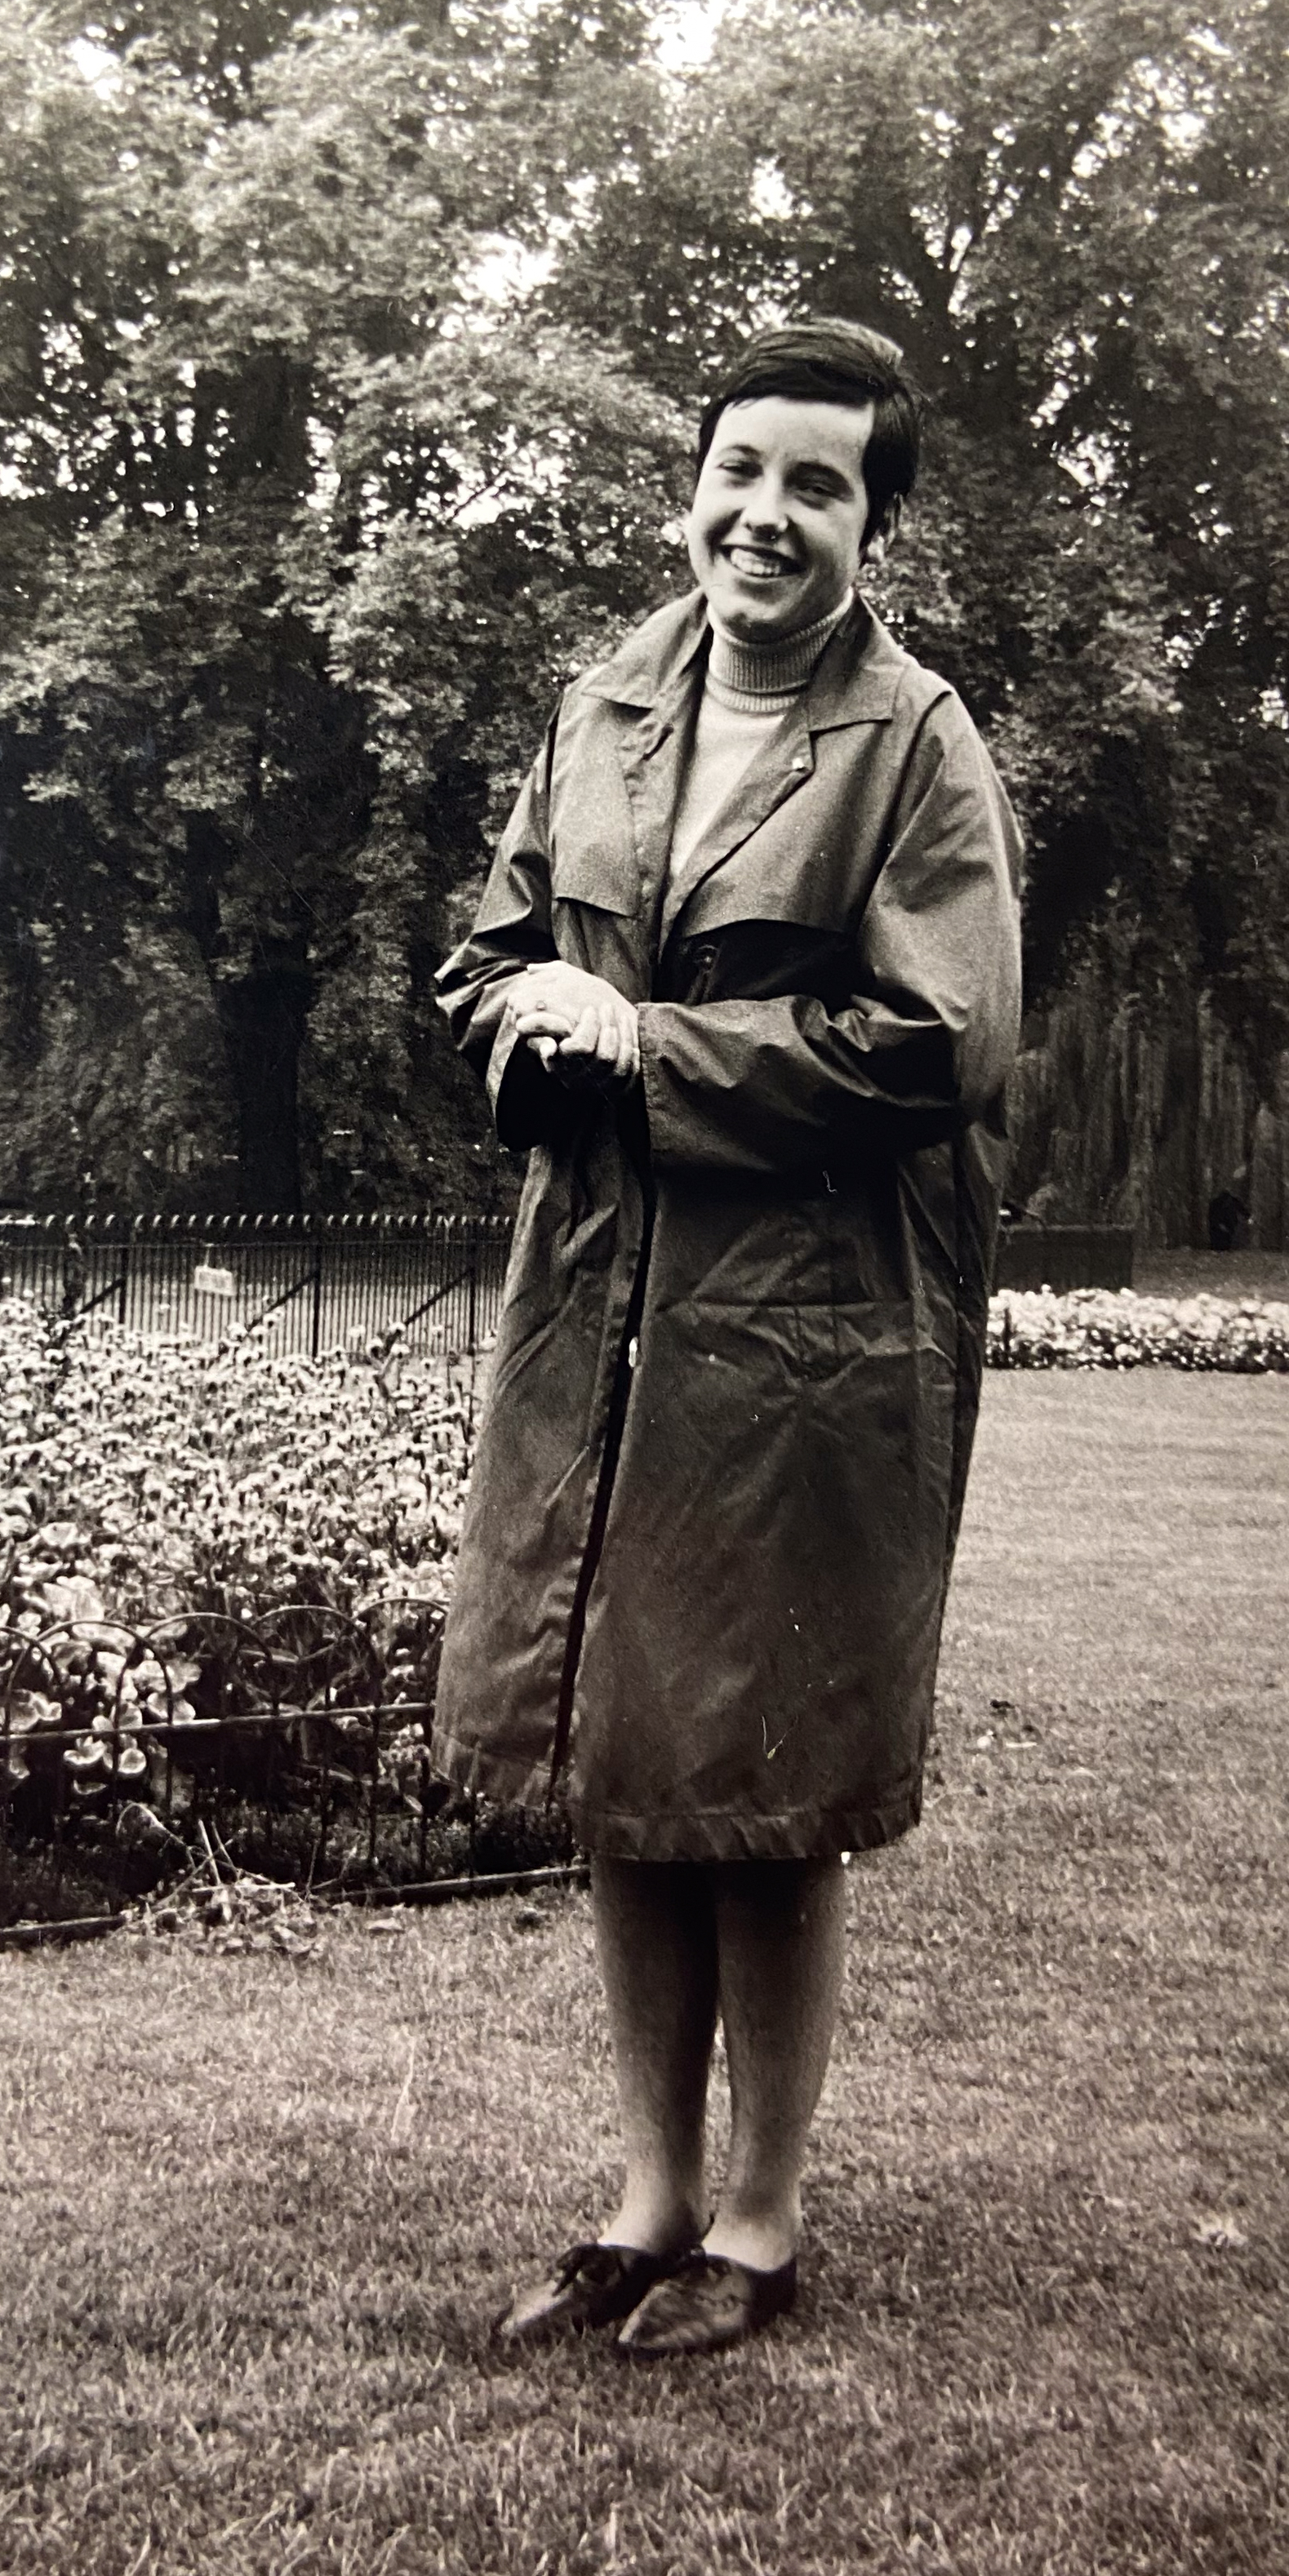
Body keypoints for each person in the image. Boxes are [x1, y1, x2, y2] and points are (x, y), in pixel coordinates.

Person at [430, 318, 1023, 2358]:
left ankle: (759, 2223)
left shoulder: (918, 743)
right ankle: (648, 2196)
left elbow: (942, 1040)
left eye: (817, 485)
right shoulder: (605, 701)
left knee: (762, 1778)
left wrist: (648, 1043)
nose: (765, 516)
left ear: (875, 527)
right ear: (692, 488)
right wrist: (527, 1020)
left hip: (805, 1329)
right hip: (599, 1297)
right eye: (738, 472)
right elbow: (492, 945)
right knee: (626, 1749)